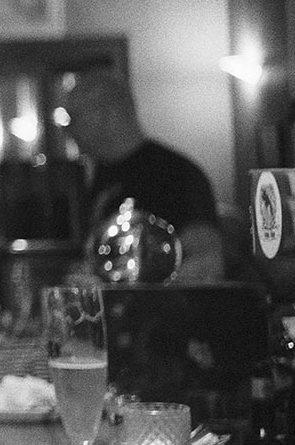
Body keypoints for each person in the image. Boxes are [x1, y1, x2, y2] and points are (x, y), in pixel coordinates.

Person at [62, 67, 225, 283]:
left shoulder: (175, 174)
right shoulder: (99, 176)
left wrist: (145, 293)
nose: (68, 131)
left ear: (106, 114)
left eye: (74, 118)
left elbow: (207, 261)